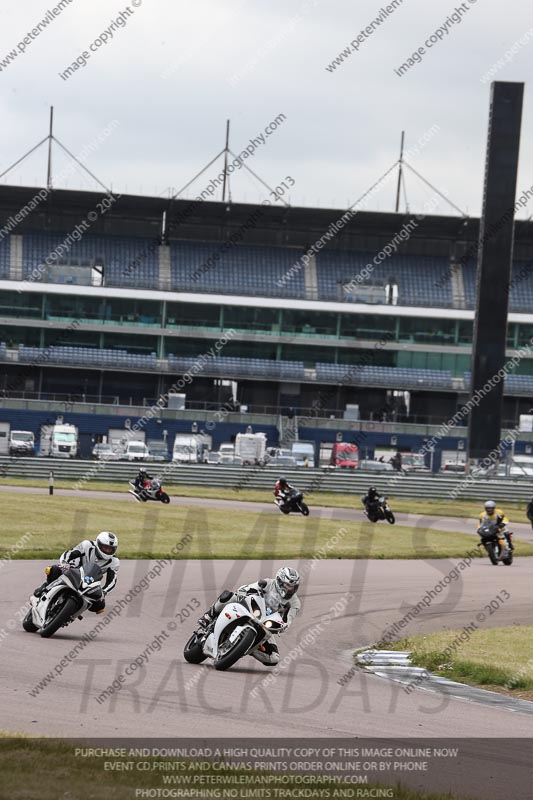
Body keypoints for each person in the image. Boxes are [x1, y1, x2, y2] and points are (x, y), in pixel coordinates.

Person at [197, 567, 302, 665]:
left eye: (293, 587)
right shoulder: (268, 583)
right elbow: (249, 587)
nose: (290, 589)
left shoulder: (295, 603)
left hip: (266, 624)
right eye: (288, 585)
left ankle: (246, 647)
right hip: (251, 608)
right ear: (279, 581)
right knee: (230, 595)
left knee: (274, 658)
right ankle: (209, 616)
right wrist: (243, 592)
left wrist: (282, 626)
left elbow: (288, 620)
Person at [32, 531, 120, 612]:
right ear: (98, 544)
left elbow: (112, 581)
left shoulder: (114, 562)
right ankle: (43, 589)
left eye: (110, 549)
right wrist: (64, 563)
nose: (108, 551)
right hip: (73, 570)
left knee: (100, 606)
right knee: (54, 570)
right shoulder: (87, 545)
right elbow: (70, 553)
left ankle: (72, 613)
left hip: (89, 582)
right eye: (105, 547)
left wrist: (104, 592)